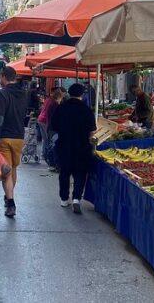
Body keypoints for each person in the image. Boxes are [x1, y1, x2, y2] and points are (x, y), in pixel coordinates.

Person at [50, 83, 96, 214]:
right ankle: (76, 198)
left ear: (69, 93)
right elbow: (92, 131)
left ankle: (64, 199)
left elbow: (54, 126)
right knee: (80, 173)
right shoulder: (87, 110)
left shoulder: (61, 108)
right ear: (82, 94)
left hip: (64, 145)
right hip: (82, 147)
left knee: (64, 173)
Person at [0, 66, 28, 218]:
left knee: (6, 171)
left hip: (5, 137)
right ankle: (9, 196)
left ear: (4, 77)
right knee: (13, 169)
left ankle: (11, 203)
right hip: (19, 137)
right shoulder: (24, 93)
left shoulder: (2, 93)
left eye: (0, 77)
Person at [38, 87, 63, 171]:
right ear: (59, 97)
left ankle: (45, 155)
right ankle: (47, 157)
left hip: (42, 120)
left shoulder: (49, 100)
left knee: (45, 140)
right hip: (46, 122)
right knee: (48, 141)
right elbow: (55, 118)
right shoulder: (55, 104)